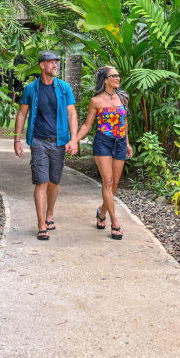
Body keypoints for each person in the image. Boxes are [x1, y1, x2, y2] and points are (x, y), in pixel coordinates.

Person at [14, 51, 78, 241]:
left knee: (54, 181)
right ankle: (41, 224)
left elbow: (72, 115)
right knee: (41, 181)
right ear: (42, 65)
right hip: (39, 140)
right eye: (51, 63)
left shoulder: (64, 88)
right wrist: (17, 139)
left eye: (56, 63)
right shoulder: (31, 89)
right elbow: (21, 114)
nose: (54, 66)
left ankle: (50, 213)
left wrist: (73, 139)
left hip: (59, 141)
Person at [73, 66, 132, 240]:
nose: (118, 78)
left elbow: (124, 121)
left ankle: (102, 211)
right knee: (107, 181)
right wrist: (74, 140)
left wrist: (127, 143)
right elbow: (87, 125)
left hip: (120, 142)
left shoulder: (124, 97)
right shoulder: (96, 101)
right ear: (105, 80)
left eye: (118, 75)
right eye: (114, 75)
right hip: (103, 142)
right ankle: (115, 222)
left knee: (114, 184)